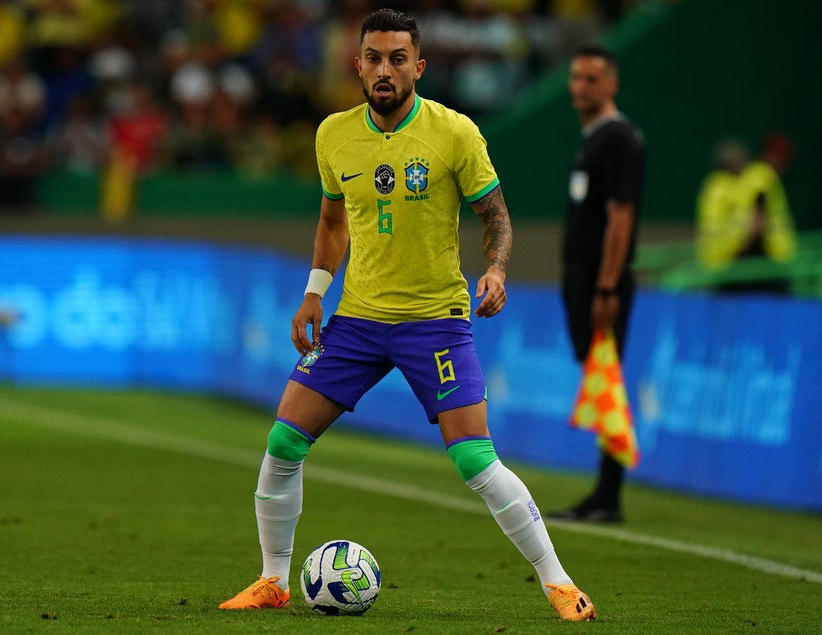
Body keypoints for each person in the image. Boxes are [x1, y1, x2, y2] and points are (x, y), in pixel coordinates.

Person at [218, 9, 596, 622]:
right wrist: (315, 291)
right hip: (357, 321)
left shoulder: (454, 133)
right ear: (358, 64)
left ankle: (557, 582)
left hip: (435, 321)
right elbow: (333, 219)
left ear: (419, 66)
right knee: (283, 442)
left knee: (475, 458)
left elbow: (495, 216)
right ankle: (272, 580)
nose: (384, 69)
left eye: (398, 58)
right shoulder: (333, 135)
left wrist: (496, 269)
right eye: (374, 58)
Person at [548, 44, 644, 524]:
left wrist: (606, 287)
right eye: (576, 77)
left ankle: (610, 495)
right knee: (599, 373)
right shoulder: (593, 139)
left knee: (607, 374)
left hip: (601, 283)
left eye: (591, 79)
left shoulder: (618, 139)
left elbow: (620, 217)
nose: (580, 87)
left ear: (612, 83)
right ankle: (604, 493)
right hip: (583, 276)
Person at [696, 133, 797, 293]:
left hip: (767, 262)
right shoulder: (717, 188)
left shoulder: (761, 177)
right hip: (730, 267)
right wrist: (746, 231)